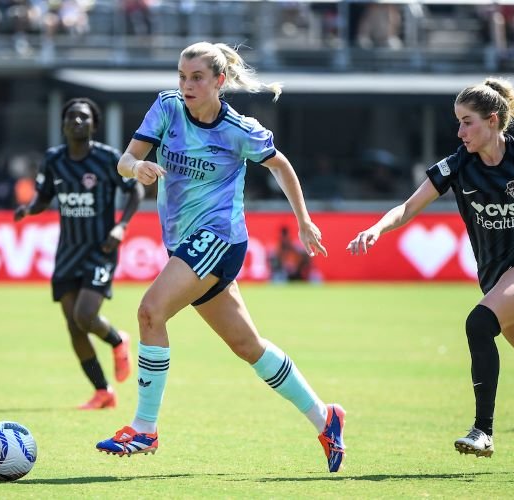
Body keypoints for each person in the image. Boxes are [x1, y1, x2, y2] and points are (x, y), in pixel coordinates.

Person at [94, 41, 346, 473]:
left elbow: (281, 166)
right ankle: (326, 419)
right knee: (248, 346)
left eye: (196, 78)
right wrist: (137, 168)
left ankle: (144, 428)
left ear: (219, 82)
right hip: (184, 244)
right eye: (181, 76)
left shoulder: (239, 129)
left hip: (219, 240)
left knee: (151, 312)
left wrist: (304, 221)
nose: (186, 85)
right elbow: (125, 159)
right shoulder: (168, 108)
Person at [347, 77, 514, 458]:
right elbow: (408, 208)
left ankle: (482, 431)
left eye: (467, 122)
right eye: (457, 122)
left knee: (479, 324)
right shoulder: (457, 166)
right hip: (496, 275)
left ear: (492, 121)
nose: (459, 132)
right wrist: (377, 227)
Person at [14, 97, 145, 410]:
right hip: (67, 253)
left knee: (85, 316)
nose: (77, 122)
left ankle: (117, 340)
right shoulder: (53, 159)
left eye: (84, 117)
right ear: (63, 124)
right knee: (74, 327)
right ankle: (103, 392)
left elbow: (136, 189)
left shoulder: (107, 159)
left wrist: (121, 227)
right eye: (71, 117)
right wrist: (29, 209)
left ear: (94, 125)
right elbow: (44, 197)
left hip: (101, 249)